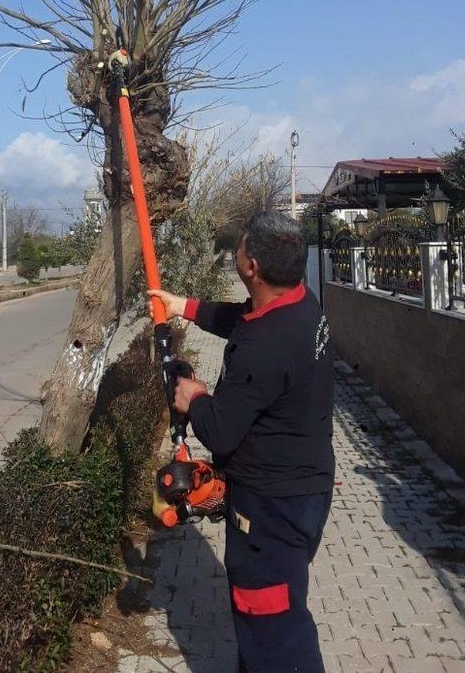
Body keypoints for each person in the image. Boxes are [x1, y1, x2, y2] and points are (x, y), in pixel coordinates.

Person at [148, 210, 334, 673]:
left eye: (242, 246)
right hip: (305, 490)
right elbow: (241, 318)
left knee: (274, 625)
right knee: (280, 606)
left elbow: (221, 430)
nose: (238, 250)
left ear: (251, 267)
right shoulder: (297, 302)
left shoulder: (268, 346)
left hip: (271, 509)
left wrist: (195, 399)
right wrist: (182, 306)